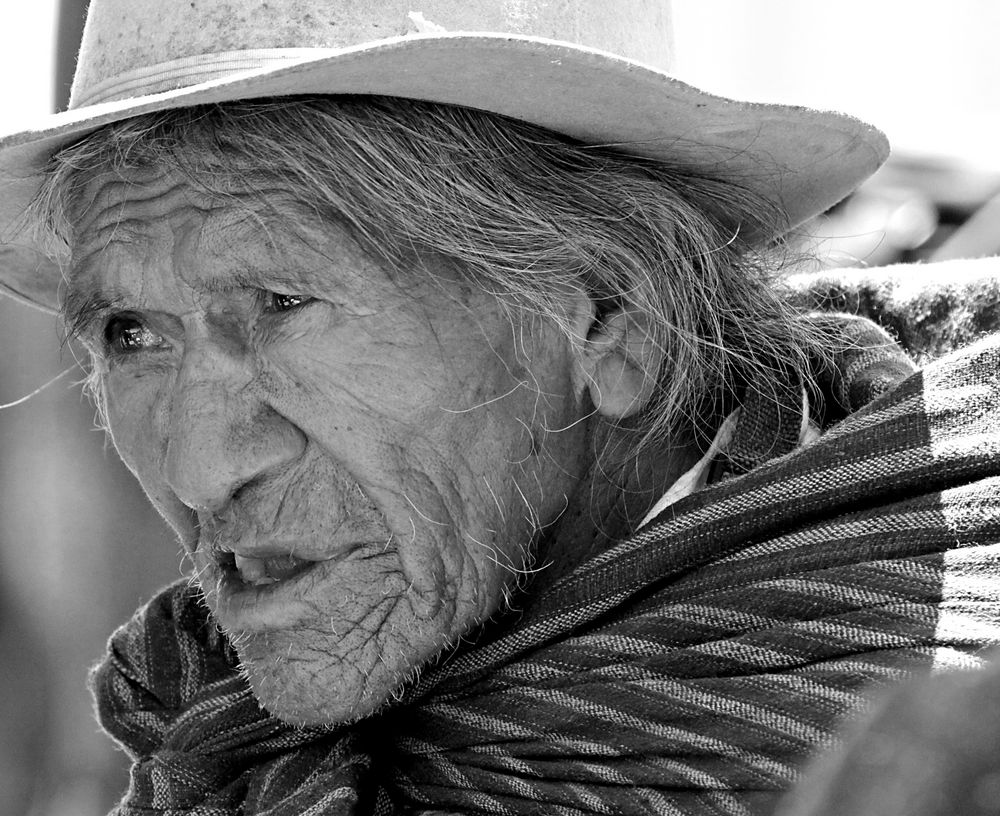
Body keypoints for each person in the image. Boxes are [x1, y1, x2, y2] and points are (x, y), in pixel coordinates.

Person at [0, 1, 997, 813]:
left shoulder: (931, 756)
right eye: (132, 333)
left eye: (281, 307)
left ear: (612, 320)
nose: (196, 471)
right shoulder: (208, 731)